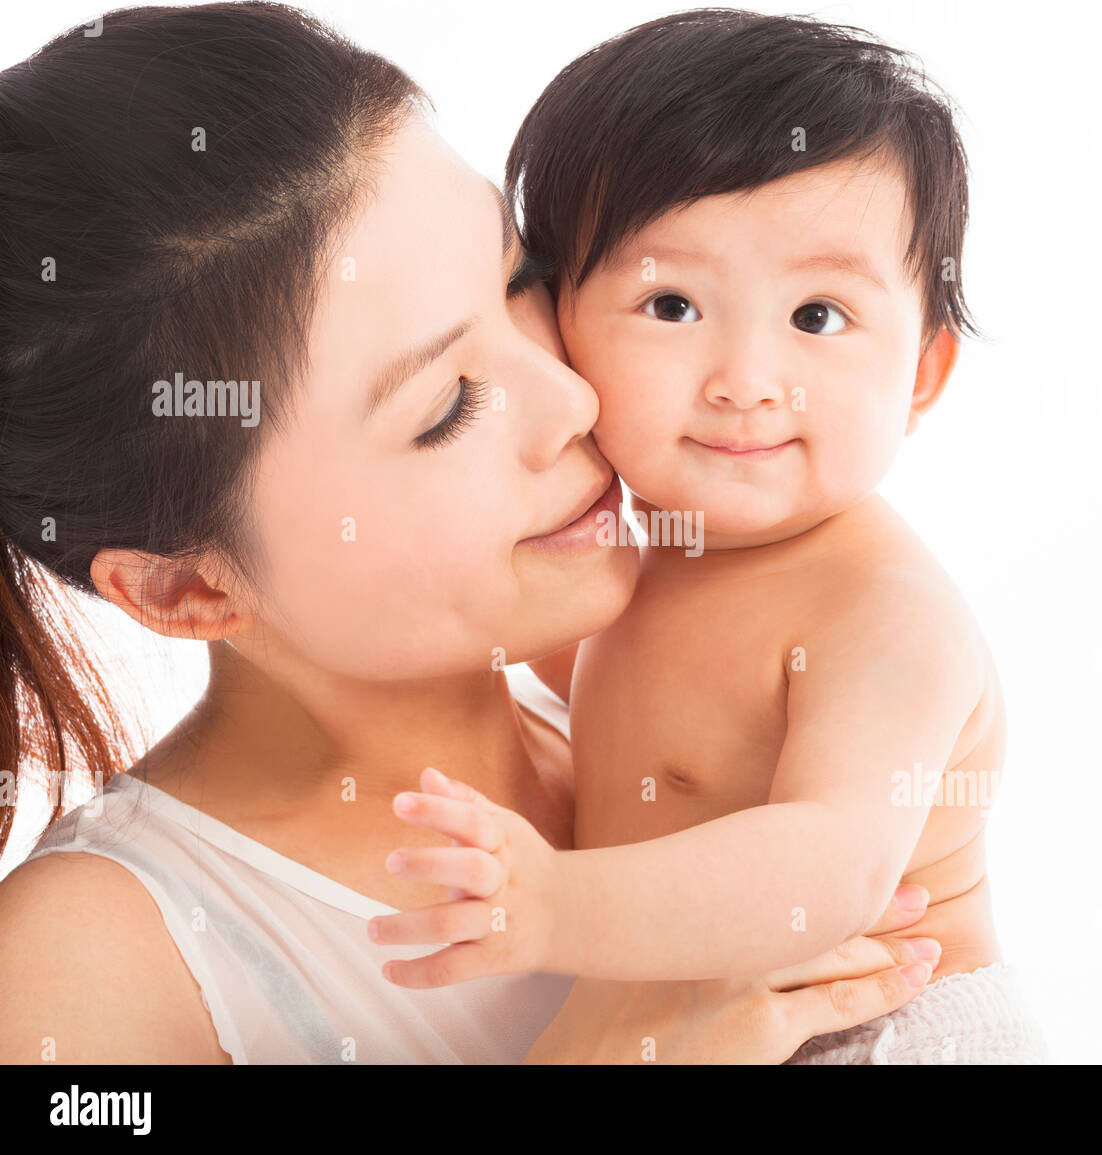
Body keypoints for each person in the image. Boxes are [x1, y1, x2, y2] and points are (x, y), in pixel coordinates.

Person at [0, 1, 939, 1064]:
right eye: (446, 407)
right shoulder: (89, 966)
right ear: (187, 591)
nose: (572, 403)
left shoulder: (684, 709)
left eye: (519, 281)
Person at [367, 10, 1049, 1064]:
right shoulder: (642, 554)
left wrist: (551, 904)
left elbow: (825, 868)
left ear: (920, 373)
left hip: (880, 1027)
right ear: (555, 326)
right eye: (673, 304)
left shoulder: (881, 612)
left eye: (818, 317)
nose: (743, 381)